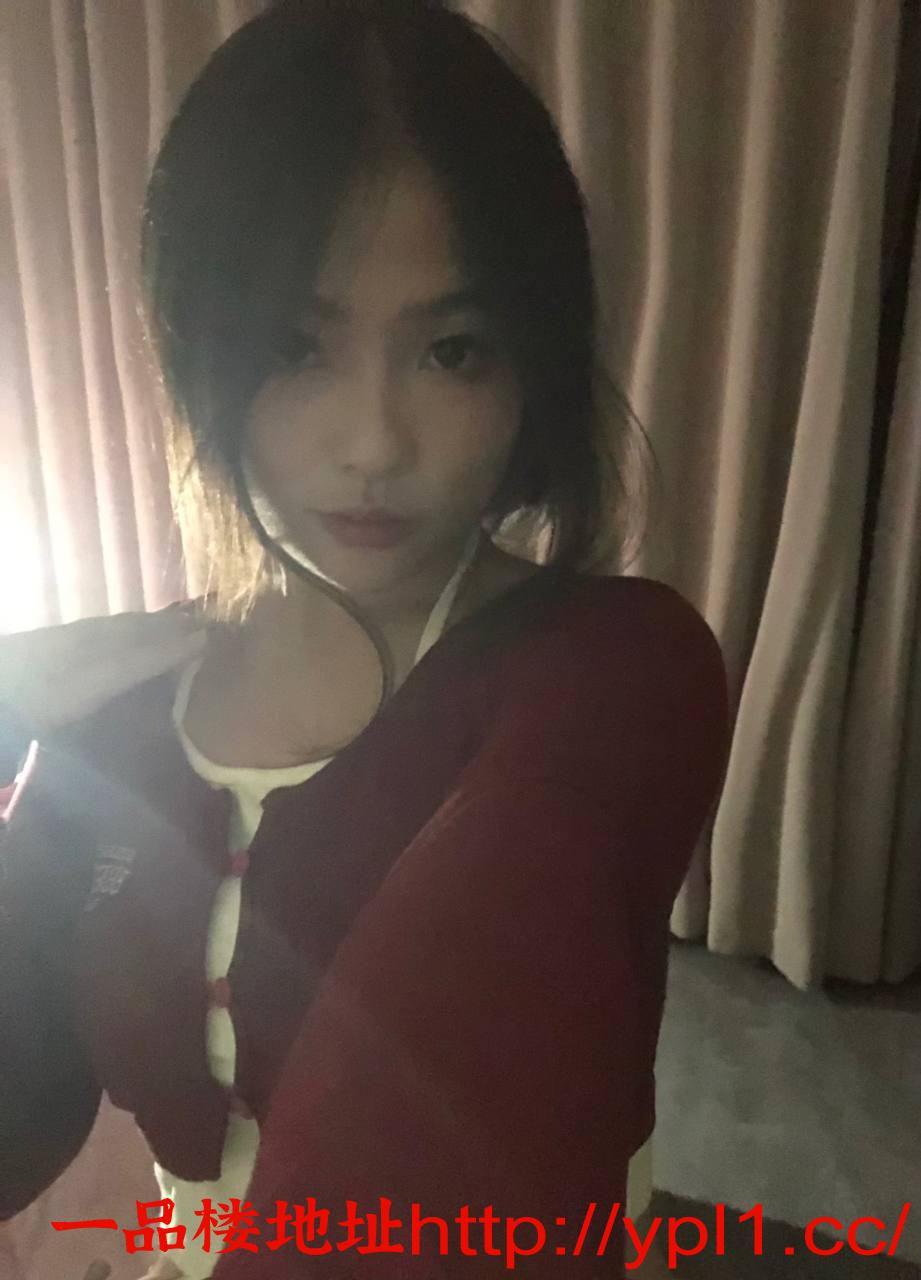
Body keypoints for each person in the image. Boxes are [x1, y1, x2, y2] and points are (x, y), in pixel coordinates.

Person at [0, 2, 730, 1277]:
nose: (375, 441)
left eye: (451, 350)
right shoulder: (116, 724)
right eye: (298, 347)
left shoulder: (610, 675)